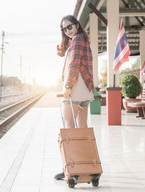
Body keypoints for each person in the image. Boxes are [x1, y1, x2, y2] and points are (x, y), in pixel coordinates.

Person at [54, 15, 94, 180]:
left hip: (75, 87)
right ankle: (86, 165)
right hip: (86, 89)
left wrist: (68, 86)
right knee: (83, 128)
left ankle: (71, 167)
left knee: (69, 128)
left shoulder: (77, 40)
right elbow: (64, 54)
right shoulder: (82, 39)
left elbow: (74, 63)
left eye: (69, 27)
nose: (67, 31)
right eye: (64, 29)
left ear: (77, 25)